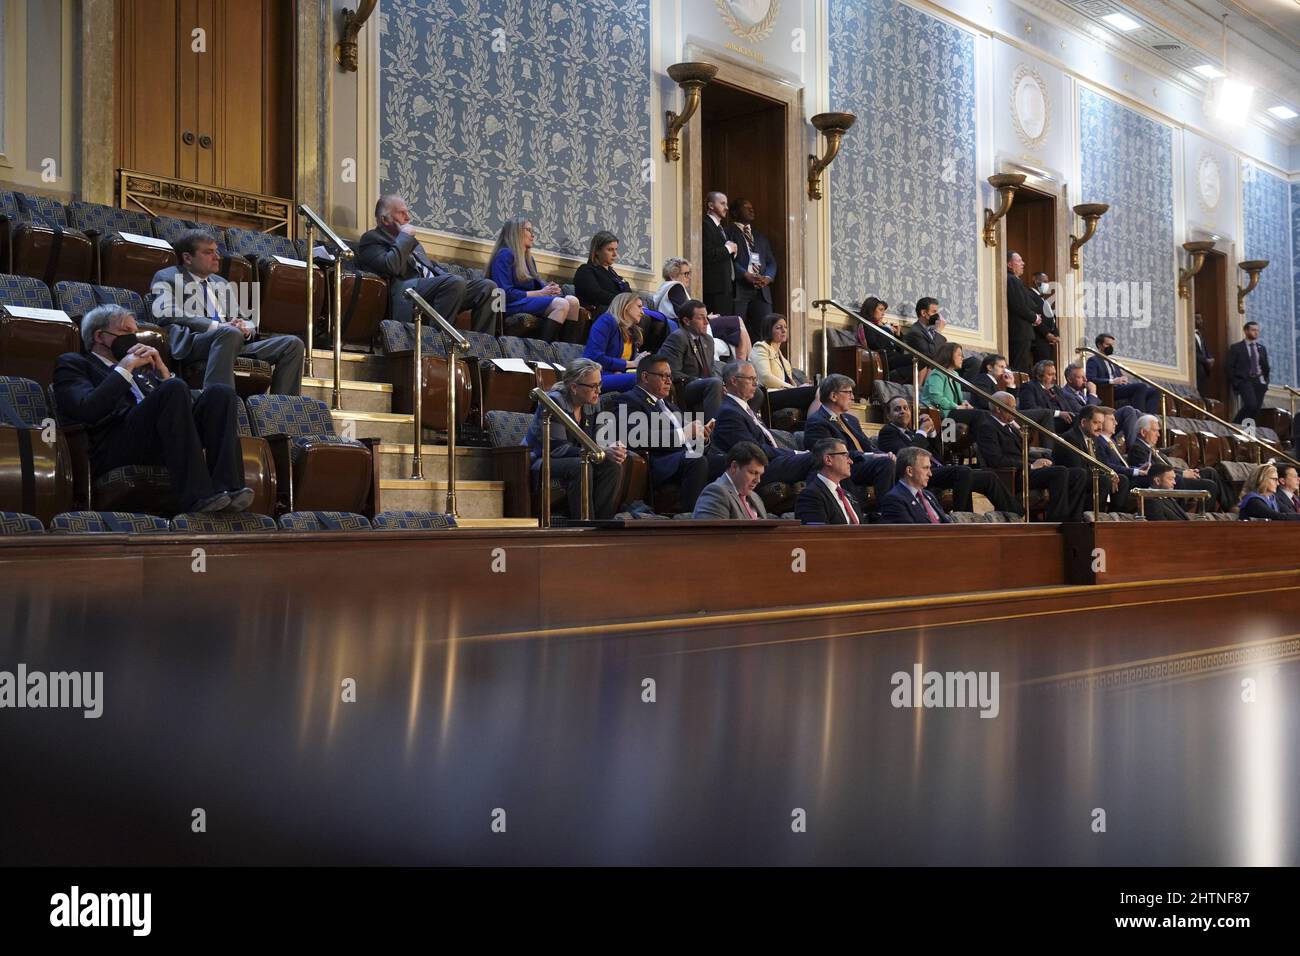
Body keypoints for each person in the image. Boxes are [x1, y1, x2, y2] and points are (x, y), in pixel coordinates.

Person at [52, 304, 253, 514]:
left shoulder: (144, 372)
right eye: (125, 332)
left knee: (220, 393)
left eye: (135, 333)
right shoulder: (73, 364)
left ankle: (229, 489)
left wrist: (164, 374)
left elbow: (181, 417)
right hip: (113, 445)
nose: (133, 338)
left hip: (161, 439)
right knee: (173, 387)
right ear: (100, 336)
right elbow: (87, 408)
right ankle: (198, 497)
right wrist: (124, 368)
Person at [150, 229, 305, 395]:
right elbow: (165, 312)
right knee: (229, 332)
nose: (217, 256)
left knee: (293, 344)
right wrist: (217, 326)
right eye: (208, 252)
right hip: (194, 342)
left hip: (232, 339)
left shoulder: (221, 282)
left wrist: (244, 328)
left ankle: (282, 406)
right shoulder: (166, 277)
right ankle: (218, 400)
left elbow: (244, 319)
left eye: (216, 251)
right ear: (187, 257)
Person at [356, 194, 497, 333]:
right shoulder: (371, 239)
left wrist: (448, 277)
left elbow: (428, 267)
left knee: (488, 287)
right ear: (384, 220)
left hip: (433, 287)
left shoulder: (413, 243)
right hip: (407, 289)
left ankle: (483, 344)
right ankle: (436, 340)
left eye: (407, 212)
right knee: (454, 283)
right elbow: (391, 266)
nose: (408, 218)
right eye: (401, 213)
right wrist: (404, 237)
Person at [602, 355, 716, 512]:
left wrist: (702, 437)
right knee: (697, 461)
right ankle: (691, 520)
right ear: (645, 377)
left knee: (727, 461)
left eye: (670, 376)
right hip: (658, 461)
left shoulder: (672, 406)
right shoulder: (628, 400)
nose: (669, 381)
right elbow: (636, 437)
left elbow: (688, 439)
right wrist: (684, 433)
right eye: (664, 376)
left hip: (683, 456)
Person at [878, 395, 1021, 514]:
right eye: (897, 409)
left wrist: (932, 432)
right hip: (917, 473)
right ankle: (964, 517)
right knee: (963, 471)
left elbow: (938, 456)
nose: (903, 411)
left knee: (988, 476)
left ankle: (1016, 514)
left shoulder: (912, 432)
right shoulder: (888, 432)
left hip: (935, 470)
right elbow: (907, 457)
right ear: (889, 415)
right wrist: (922, 432)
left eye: (906, 408)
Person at [525, 359, 627, 520]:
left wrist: (611, 448)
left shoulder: (592, 403)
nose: (599, 391)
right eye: (593, 386)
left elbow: (597, 442)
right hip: (542, 459)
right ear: (574, 387)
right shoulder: (553, 402)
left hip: (577, 456)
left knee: (612, 465)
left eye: (600, 384)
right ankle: (584, 523)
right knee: (580, 466)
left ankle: (602, 523)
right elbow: (557, 449)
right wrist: (600, 451)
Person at [975, 391, 1087, 522]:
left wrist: (1040, 460)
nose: (1015, 411)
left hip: (1026, 470)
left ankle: (1073, 519)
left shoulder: (1010, 426)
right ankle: (1057, 520)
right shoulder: (987, 427)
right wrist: (1031, 465)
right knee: (1060, 472)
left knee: (1079, 474)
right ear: (998, 408)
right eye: (1011, 407)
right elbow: (996, 460)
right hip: (1014, 475)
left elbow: (1023, 452)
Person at [711, 361, 816, 488]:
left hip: (771, 458)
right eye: (751, 379)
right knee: (818, 459)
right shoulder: (729, 413)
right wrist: (793, 453)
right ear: (734, 381)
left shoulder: (743, 408)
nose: (756, 383)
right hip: (761, 467)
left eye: (756, 379)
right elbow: (754, 451)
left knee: (828, 454)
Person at [802, 374, 895, 509]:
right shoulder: (817, 421)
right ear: (833, 396)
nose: (852, 397)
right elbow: (829, 454)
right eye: (848, 392)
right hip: (847, 466)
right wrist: (871, 456)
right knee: (885, 464)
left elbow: (867, 445)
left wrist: (884, 453)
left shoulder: (851, 420)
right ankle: (887, 513)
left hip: (862, 462)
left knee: (900, 460)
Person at [488, 217, 580, 343]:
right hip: (509, 304)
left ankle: (565, 351)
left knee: (573, 301)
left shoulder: (528, 260)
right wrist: (541, 293)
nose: (533, 235)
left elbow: (538, 286)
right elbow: (504, 294)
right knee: (561, 304)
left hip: (525, 301)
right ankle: (542, 351)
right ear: (516, 232)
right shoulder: (504, 255)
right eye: (529, 230)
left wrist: (550, 290)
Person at [1126, 414, 1230, 511]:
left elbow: (1167, 467)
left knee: (1210, 472)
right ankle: (1203, 521)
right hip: (1167, 481)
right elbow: (1155, 471)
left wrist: (1186, 471)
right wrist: (1183, 474)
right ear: (1143, 432)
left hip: (1174, 476)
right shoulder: (1137, 449)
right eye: (1155, 431)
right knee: (1210, 486)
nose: (1158, 435)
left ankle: (1231, 506)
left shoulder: (1152, 448)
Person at [652, 256, 750, 359]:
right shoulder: (676, 286)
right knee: (738, 322)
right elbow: (684, 312)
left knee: (740, 329)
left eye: (689, 274)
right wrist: (706, 318)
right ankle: (745, 365)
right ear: (673, 275)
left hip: (693, 322)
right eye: (685, 274)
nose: (689, 277)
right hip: (692, 325)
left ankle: (745, 366)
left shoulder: (666, 288)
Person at [660, 299, 727, 421]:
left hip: (708, 384)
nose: (706, 322)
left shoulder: (708, 340)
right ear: (686, 321)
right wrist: (701, 380)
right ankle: (714, 432)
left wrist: (723, 383)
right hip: (685, 387)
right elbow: (672, 371)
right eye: (701, 318)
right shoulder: (678, 337)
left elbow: (711, 368)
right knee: (714, 383)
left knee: (743, 384)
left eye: (706, 317)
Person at [1052, 405, 1125, 512]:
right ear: (1083, 422)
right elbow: (1078, 468)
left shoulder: (1094, 438)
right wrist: (1105, 476)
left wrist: (1110, 474)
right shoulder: (1070, 438)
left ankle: (1114, 515)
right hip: (1073, 478)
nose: (1100, 427)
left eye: (1101, 423)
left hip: (1088, 475)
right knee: (1103, 480)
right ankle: (1091, 516)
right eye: (1096, 423)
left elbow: (1101, 463)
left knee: (1122, 480)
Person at [725, 198, 776, 338]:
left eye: (752, 207)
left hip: (761, 290)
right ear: (735, 212)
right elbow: (726, 261)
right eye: (746, 207)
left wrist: (767, 278)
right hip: (740, 288)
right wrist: (744, 274)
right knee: (737, 329)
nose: (751, 210)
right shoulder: (728, 232)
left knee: (766, 330)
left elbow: (772, 262)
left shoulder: (760, 236)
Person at [750, 314, 817, 416]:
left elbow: (789, 381)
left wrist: (800, 386)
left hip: (783, 393)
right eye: (778, 328)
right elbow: (765, 377)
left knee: (824, 391)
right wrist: (792, 388)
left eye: (785, 327)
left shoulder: (784, 360)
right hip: (769, 395)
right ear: (769, 330)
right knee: (820, 391)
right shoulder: (761, 347)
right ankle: (816, 425)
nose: (784, 330)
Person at [583, 291, 650, 393]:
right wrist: (632, 364)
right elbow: (594, 357)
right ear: (626, 306)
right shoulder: (606, 321)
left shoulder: (631, 331)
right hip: (597, 376)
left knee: (654, 377)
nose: (642, 312)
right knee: (641, 379)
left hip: (617, 375)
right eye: (639, 307)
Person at [693, 441, 769, 519]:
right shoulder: (716, 493)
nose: (758, 480)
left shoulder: (755, 497)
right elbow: (711, 531)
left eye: (760, 474)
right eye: (753, 472)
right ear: (734, 467)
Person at [1086, 334, 1160, 414]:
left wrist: (1123, 379)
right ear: (1099, 345)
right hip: (1108, 389)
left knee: (1155, 391)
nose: (1110, 347)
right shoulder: (1093, 360)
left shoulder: (1113, 361)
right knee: (1141, 386)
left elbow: (1119, 377)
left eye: (1112, 345)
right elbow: (1091, 379)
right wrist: (1112, 381)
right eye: (1107, 344)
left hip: (1120, 387)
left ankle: (1150, 418)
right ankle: (1140, 416)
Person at [794, 439, 863, 525]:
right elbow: (816, 535)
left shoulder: (849, 495)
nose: (851, 461)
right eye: (846, 455)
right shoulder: (810, 496)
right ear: (828, 460)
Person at [879, 446, 951, 524]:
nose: (930, 474)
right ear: (910, 471)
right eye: (925, 468)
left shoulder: (929, 495)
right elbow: (908, 534)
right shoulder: (894, 499)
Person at [919, 342, 981, 427]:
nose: (962, 358)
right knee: (979, 416)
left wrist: (964, 403)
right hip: (942, 413)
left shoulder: (955, 374)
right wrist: (957, 407)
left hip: (952, 410)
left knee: (986, 414)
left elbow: (957, 400)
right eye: (959, 355)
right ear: (948, 355)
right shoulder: (937, 373)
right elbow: (936, 398)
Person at [854, 296, 911, 380]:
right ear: (871, 310)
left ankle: (897, 376)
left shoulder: (882, 327)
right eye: (880, 310)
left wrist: (898, 335)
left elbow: (900, 351)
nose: (883, 313)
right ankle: (895, 377)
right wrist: (886, 330)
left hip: (893, 357)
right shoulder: (866, 325)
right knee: (917, 359)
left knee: (921, 362)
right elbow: (875, 344)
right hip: (883, 359)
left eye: (884, 311)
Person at [701, 191, 737, 316]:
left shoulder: (720, 227)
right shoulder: (705, 225)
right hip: (714, 289)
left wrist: (732, 250)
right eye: (722, 203)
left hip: (726, 287)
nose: (726, 207)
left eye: (726, 204)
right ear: (711, 205)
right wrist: (728, 249)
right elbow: (707, 254)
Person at [1227, 321, 1270, 424]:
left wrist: (1266, 382)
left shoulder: (1261, 348)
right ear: (1246, 331)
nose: (1256, 332)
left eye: (1257, 330)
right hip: (1245, 380)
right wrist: (1235, 382)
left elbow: (1266, 367)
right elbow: (1229, 367)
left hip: (1260, 381)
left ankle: (1249, 432)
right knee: (1251, 404)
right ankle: (1234, 425)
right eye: (1253, 330)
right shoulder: (1236, 347)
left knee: (1256, 410)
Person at [1006, 251, 1041, 373]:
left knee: (1023, 366)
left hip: (1023, 331)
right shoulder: (1012, 280)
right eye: (1019, 261)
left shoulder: (1016, 280)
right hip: (1019, 331)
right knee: (1019, 367)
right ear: (1009, 264)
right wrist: (1034, 318)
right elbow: (1018, 305)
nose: (1023, 263)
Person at [1018, 359, 1075, 433]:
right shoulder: (1029, 387)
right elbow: (1032, 410)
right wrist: (1059, 414)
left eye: (1054, 374)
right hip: (1046, 425)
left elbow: (1068, 410)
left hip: (1064, 423)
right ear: (1039, 376)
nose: (1055, 378)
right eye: (1050, 375)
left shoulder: (1056, 388)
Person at [903, 297, 947, 365]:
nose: (938, 316)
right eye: (934, 312)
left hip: (941, 367)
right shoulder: (915, 332)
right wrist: (938, 331)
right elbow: (931, 355)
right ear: (923, 313)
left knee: (969, 362)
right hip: (924, 369)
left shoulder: (932, 330)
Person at [1029, 271, 1059, 364]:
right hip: (1039, 339)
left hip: (1049, 341)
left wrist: (1056, 335)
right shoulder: (1030, 295)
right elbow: (1034, 317)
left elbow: (1052, 319)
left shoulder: (1043, 299)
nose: (1047, 284)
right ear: (1035, 280)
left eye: (1047, 282)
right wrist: (1046, 334)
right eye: (1044, 281)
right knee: (1042, 367)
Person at [1194, 313, 1213, 398]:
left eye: (1201, 319)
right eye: (1198, 319)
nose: (1201, 321)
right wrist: (1205, 360)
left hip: (1203, 370)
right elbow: (1192, 352)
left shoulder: (1199, 334)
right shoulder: (1188, 334)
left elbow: (1204, 349)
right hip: (1195, 369)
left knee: (1203, 394)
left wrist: (1210, 358)